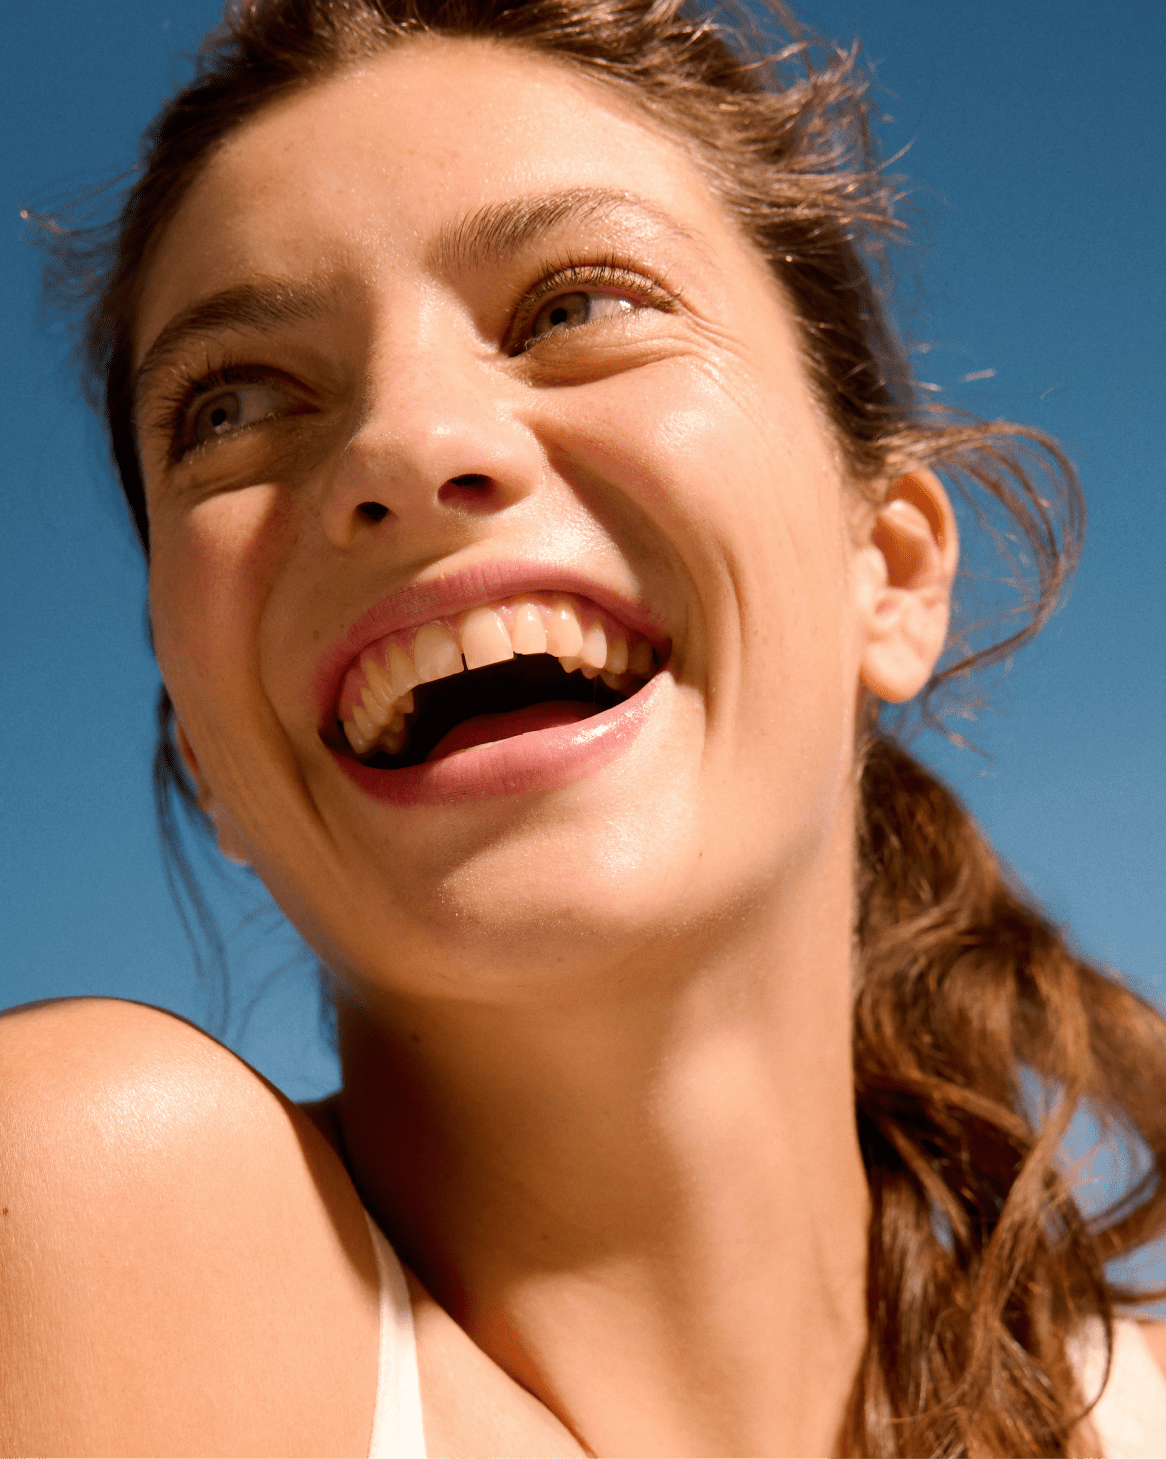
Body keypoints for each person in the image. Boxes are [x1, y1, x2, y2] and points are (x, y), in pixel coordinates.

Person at [4, 0, 1166, 1454]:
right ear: (208, 758)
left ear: (889, 567)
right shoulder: (94, 1199)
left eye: (573, 307)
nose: (404, 445)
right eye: (230, 406)